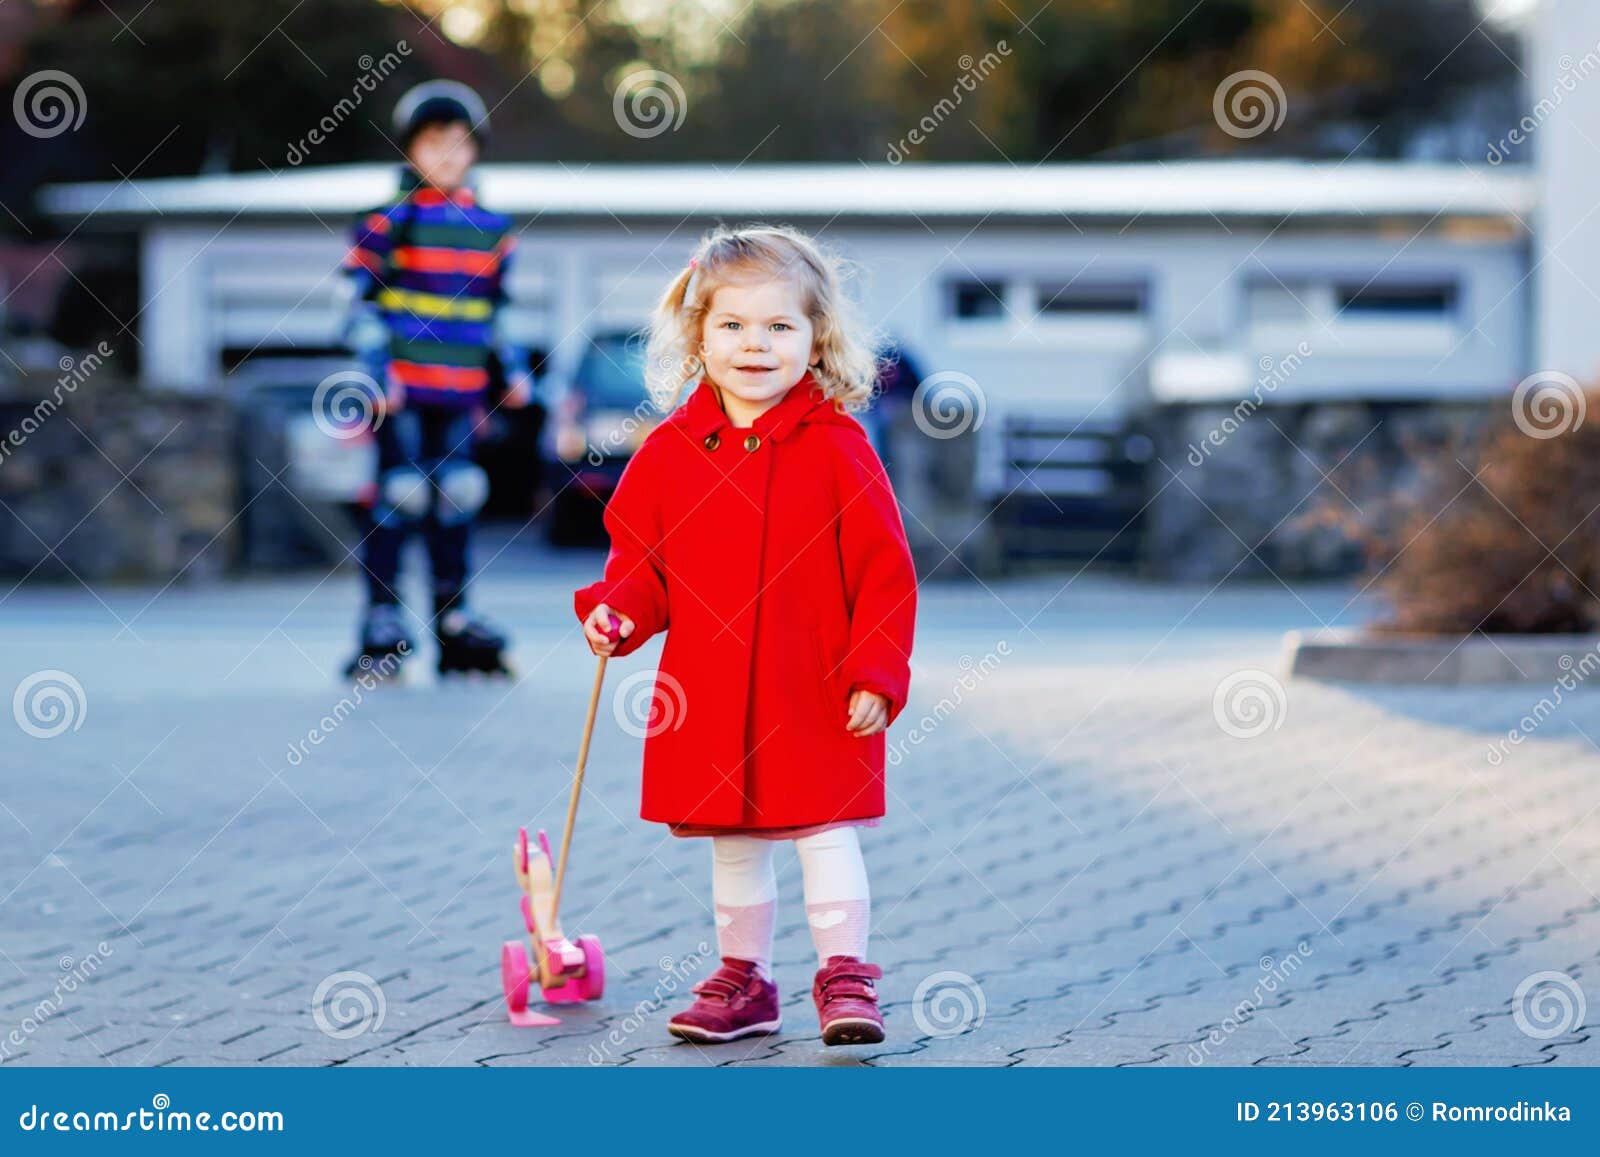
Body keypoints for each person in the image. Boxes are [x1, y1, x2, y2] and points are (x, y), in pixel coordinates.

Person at [574, 224, 918, 1045]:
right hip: (715, 685)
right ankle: (745, 979)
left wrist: (877, 667)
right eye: (733, 326)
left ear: (817, 338)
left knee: (822, 826)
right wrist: (617, 609)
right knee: (733, 835)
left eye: (778, 327)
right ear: (699, 335)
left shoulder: (838, 446)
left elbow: (883, 569)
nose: (754, 345)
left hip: (817, 682)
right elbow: (641, 562)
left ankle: (845, 975)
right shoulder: (667, 454)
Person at [339, 80, 532, 678]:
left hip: (459, 389)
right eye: (433, 142)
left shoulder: (492, 228)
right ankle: (383, 618)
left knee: (459, 496)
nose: (447, 154)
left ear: (476, 149)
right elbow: (361, 311)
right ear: (409, 150)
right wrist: (377, 373)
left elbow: (493, 314)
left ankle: (453, 617)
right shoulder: (388, 222)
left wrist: (511, 371)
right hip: (402, 392)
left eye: (458, 142)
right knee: (400, 495)